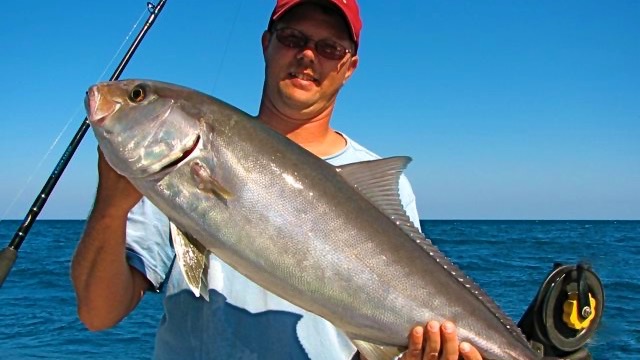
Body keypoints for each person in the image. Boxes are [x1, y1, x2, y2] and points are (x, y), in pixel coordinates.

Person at [71, 1, 483, 359]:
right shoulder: (166, 175)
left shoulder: (375, 181)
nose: (307, 55)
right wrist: (110, 203)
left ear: (349, 67)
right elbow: (97, 311)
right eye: (292, 38)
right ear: (266, 44)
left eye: (329, 48)